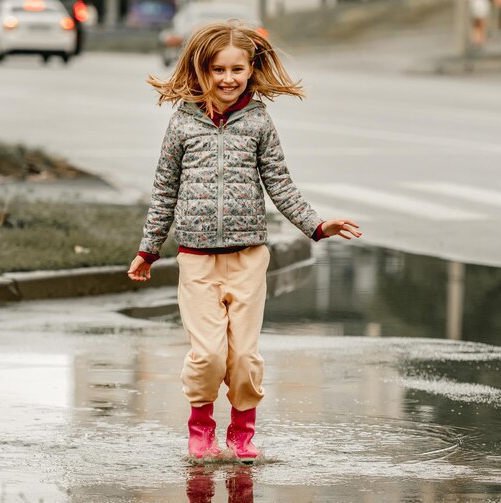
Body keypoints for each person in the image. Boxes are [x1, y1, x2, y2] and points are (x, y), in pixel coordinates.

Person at [127, 20, 361, 463]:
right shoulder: (182, 125)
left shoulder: (259, 123)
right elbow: (164, 191)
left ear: (251, 70)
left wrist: (316, 225)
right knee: (208, 355)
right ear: (201, 71)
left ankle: (242, 431)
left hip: (249, 258)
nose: (228, 79)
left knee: (243, 358)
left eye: (237, 69)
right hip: (196, 260)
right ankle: (200, 426)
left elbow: (280, 184)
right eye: (218, 70)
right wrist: (148, 249)